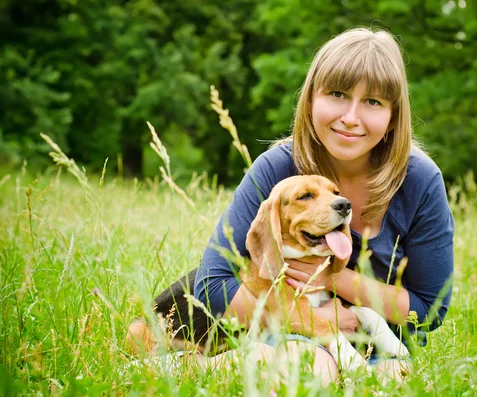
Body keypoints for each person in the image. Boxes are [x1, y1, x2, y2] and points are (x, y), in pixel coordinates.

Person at [192, 27, 454, 383]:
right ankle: (201, 364)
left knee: (391, 384)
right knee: (311, 372)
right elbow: (211, 286)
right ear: (311, 99)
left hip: (382, 344)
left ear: (393, 116)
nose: (350, 116)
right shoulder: (278, 169)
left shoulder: (421, 181)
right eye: (337, 94)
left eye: (373, 102)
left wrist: (336, 278)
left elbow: (429, 309)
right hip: (290, 332)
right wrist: (319, 324)